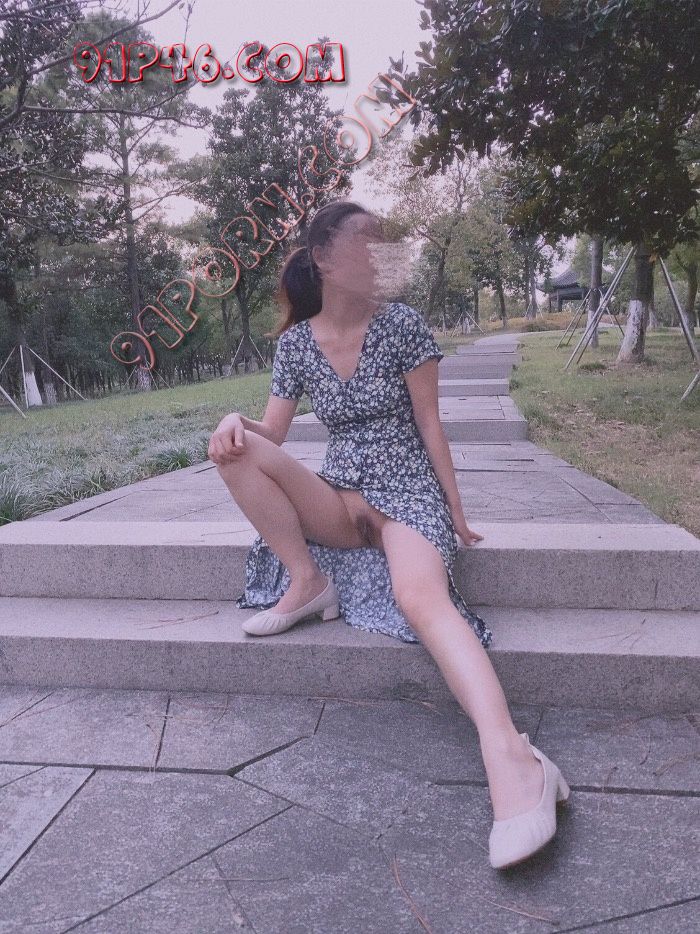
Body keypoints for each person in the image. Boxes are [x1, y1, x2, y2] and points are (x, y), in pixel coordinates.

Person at [208, 198, 570, 869]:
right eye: (367, 241)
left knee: (420, 598)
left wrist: (453, 512)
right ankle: (307, 580)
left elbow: (431, 424)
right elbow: (273, 435)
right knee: (231, 450)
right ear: (324, 258)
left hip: (406, 494)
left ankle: (517, 763)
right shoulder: (296, 344)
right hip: (337, 496)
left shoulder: (401, 324)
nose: (383, 254)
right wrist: (236, 421)